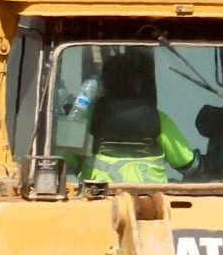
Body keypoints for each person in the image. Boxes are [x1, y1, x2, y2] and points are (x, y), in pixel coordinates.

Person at [76, 47, 196, 184]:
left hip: (96, 198)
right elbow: (186, 163)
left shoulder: (86, 118)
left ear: (104, 84)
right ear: (139, 84)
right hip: (151, 199)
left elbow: (67, 159)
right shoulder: (159, 120)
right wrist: (204, 165)